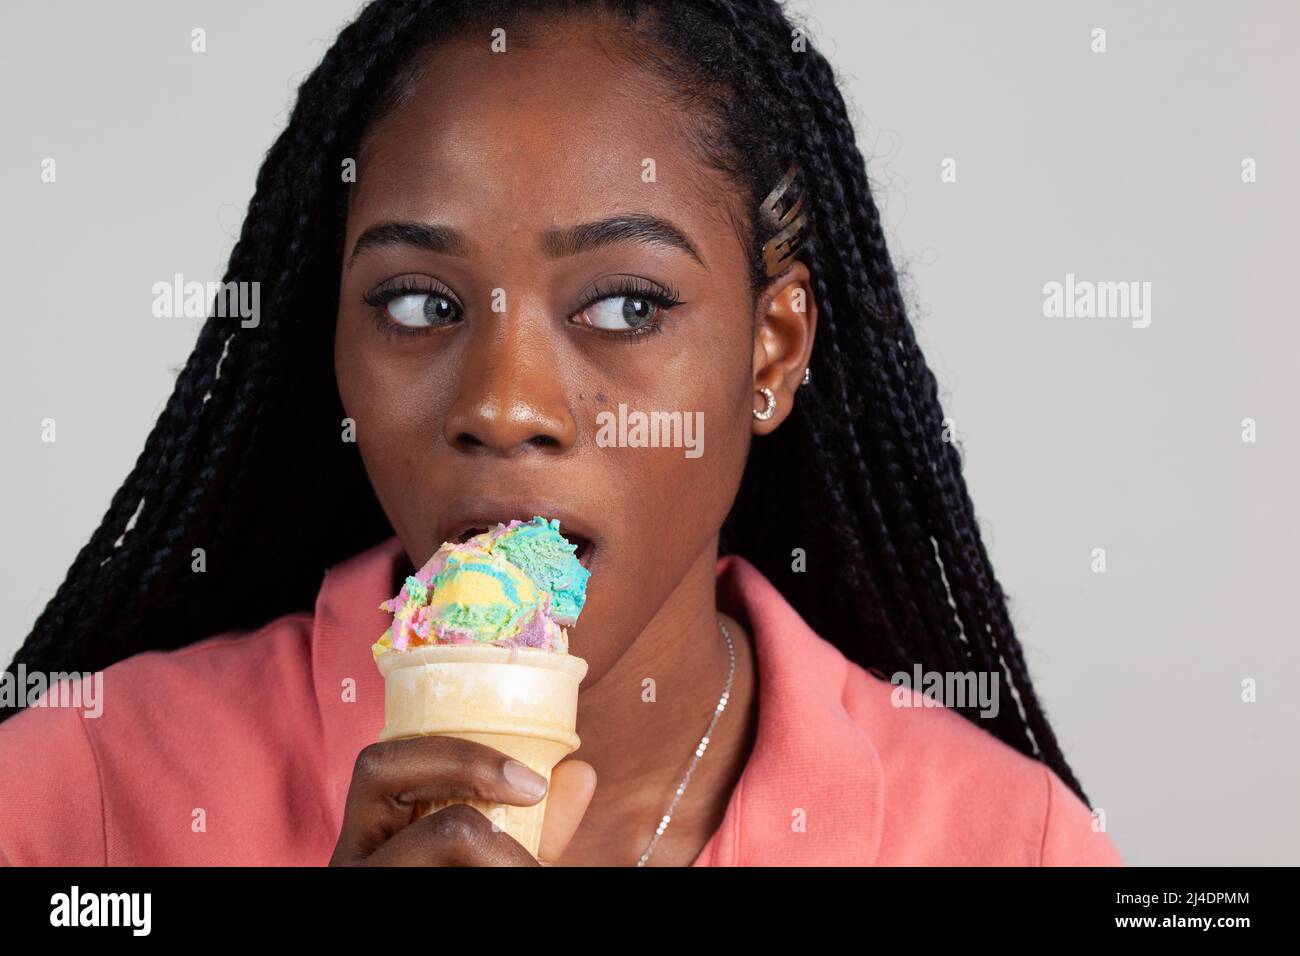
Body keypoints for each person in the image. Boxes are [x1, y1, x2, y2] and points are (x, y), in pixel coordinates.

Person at [0, 0, 1122, 867]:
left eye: (627, 305)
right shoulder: (77, 792)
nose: (503, 403)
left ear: (770, 353)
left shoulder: (1004, 841)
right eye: (417, 303)